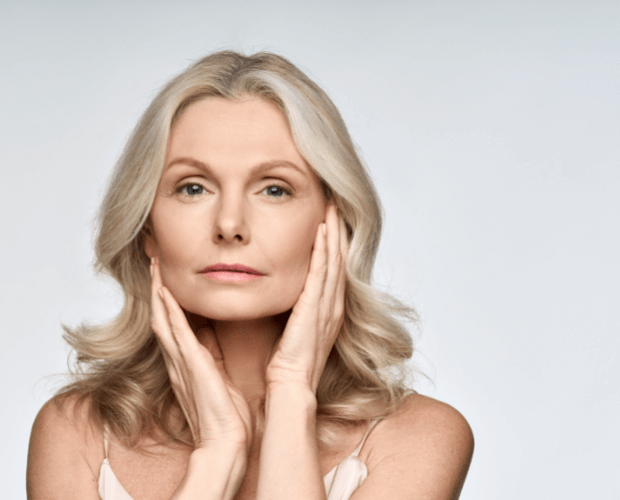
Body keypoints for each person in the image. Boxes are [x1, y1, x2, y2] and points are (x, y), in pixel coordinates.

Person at [27, 50, 474, 500]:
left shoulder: (420, 437)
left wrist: (292, 393)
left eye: (274, 189)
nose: (229, 224)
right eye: (193, 187)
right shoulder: (77, 432)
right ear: (147, 228)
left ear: (334, 223)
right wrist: (217, 453)